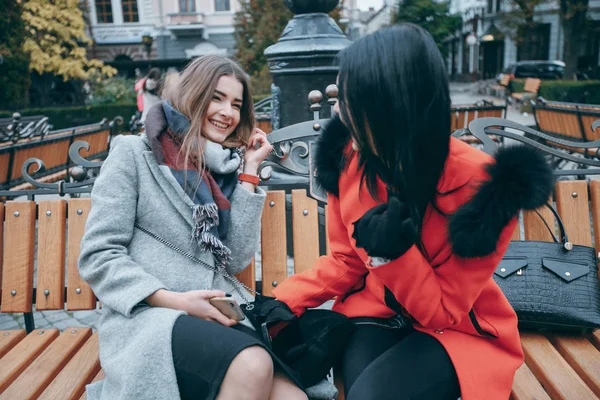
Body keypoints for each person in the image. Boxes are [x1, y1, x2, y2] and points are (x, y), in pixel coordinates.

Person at [270, 24, 554, 400]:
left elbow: (445, 311)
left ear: (393, 104)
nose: (337, 109)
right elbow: (345, 259)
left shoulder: (487, 188)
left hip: (459, 332)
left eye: (350, 97)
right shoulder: (351, 163)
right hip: (374, 314)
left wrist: (394, 254)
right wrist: (281, 303)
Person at [79, 55, 308, 400]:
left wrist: (248, 173)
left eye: (236, 104)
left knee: (294, 398)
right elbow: (99, 255)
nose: (227, 113)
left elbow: (234, 262)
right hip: (151, 316)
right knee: (252, 366)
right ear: (192, 95)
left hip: (217, 315)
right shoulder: (134, 155)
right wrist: (176, 301)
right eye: (216, 97)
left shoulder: (228, 169)